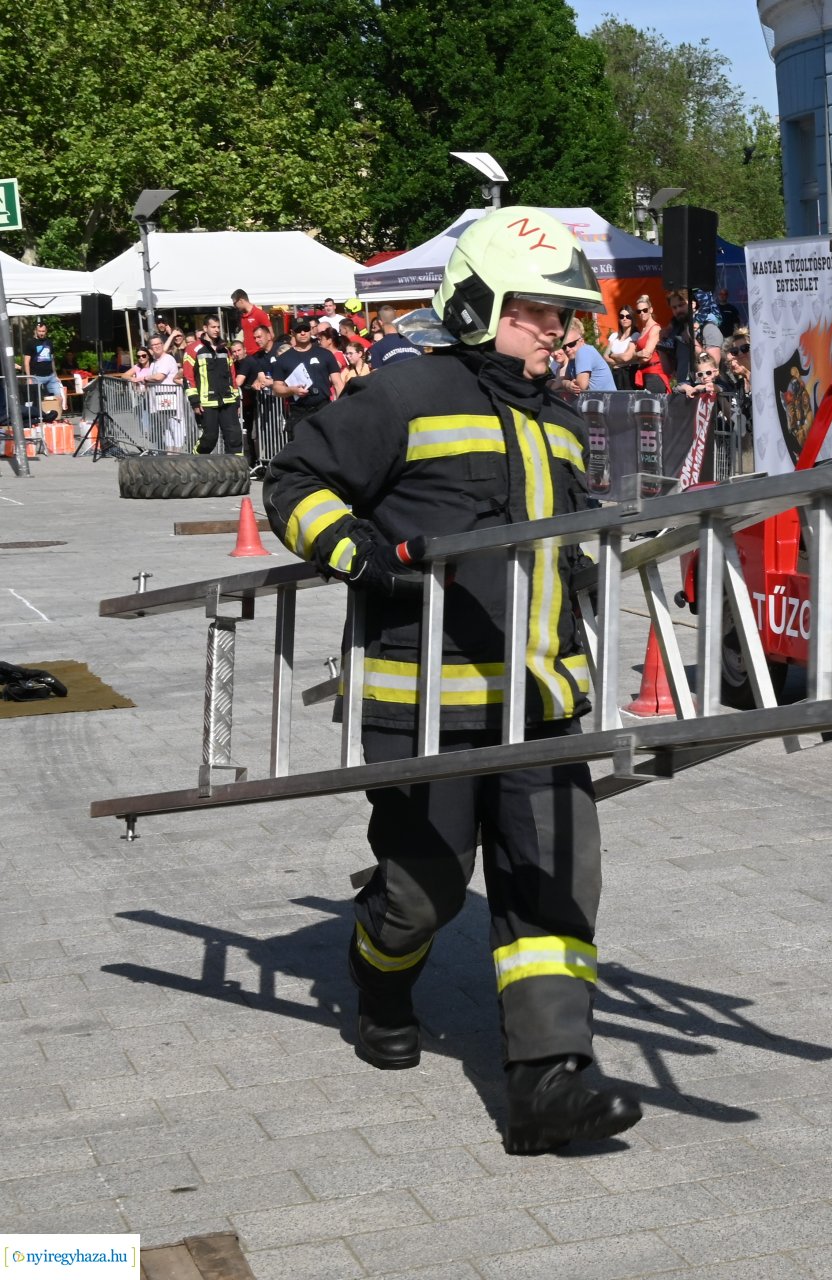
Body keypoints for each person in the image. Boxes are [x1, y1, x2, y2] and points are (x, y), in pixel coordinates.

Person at [263, 205, 644, 1154]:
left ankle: (549, 1084)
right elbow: (293, 481)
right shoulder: (407, 394)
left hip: (540, 702)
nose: (558, 330)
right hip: (425, 704)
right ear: (477, 303)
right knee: (422, 894)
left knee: (555, 883)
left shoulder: (558, 418)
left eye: (564, 313)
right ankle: (380, 980)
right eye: (538, 310)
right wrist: (354, 551)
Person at [270, 318, 341, 430]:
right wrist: (292, 390)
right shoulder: (283, 359)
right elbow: (276, 388)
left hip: (323, 409)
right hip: (298, 412)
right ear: (292, 333)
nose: (303, 333)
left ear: (310, 330)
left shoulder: (325, 354)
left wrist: (341, 408)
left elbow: (338, 383)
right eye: (299, 330)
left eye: (306, 329)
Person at [188, 318, 243, 455]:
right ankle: (195, 459)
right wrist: (195, 401)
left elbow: (232, 376)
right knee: (209, 438)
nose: (217, 330)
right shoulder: (193, 349)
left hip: (228, 400)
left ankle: (236, 466)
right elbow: (188, 377)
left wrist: (236, 401)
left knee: (234, 437)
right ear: (205, 328)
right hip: (207, 402)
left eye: (218, 327)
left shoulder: (224, 349)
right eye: (213, 327)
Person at [561, 319, 615, 393]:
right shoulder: (573, 357)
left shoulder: (584, 351)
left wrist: (567, 384)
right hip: (598, 399)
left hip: (606, 399)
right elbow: (564, 380)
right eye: (563, 347)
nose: (567, 349)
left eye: (571, 344)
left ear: (581, 341)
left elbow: (581, 386)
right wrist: (567, 384)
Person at [24, 322, 65, 417]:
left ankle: (57, 418)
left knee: (59, 398)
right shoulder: (30, 343)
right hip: (36, 377)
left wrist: (56, 375)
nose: (41, 333)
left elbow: (52, 360)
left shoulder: (49, 342)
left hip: (51, 376)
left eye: (43, 331)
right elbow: (26, 362)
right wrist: (29, 378)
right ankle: (39, 418)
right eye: (39, 331)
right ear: (35, 331)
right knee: (37, 401)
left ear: (46, 331)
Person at [603, 307, 641, 389]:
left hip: (629, 374)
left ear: (632, 318)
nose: (624, 319)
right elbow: (605, 356)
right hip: (615, 374)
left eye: (628, 316)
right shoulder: (614, 336)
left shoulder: (635, 335)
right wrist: (620, 361)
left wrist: (612, 355)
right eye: (621, 316)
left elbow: (626, 357)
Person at [233, 290, 274, 355]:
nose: (234, 306)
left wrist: (265, 352)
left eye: (235, 303)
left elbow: (271, 335)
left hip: (260, 354)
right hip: (248, 355)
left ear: (241, 300)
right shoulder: (243, 317)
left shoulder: (259, 314)